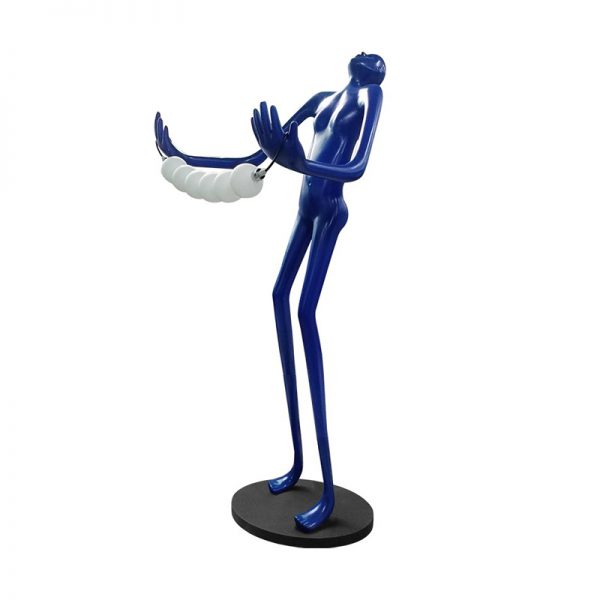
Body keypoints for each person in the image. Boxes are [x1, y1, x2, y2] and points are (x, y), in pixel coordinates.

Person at [155, 52, 385, 532]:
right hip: (306, 208)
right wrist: (182, 159)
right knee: (279, 297)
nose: (370, 56)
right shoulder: (322, 99)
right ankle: (298, 462)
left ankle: (327, 491)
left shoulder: (370, 96)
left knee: (305, 313)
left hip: (329, 212)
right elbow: (257, 160)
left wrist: (303, 163)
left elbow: (358, 167)